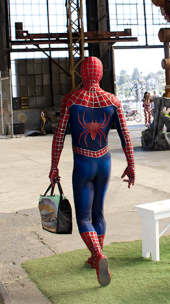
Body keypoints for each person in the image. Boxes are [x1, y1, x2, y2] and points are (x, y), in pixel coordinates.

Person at [49, 57, 135, 287]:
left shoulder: (71, 100)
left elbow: (59, 137)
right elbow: (126, 137)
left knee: (84, 217)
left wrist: (54, 166)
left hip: (83, 162)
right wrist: (131, 165)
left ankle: (98, 256)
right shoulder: (113, 101)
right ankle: (95, 255)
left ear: (82, 74)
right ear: (100, 73)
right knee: (99, 212)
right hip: (105, 162)